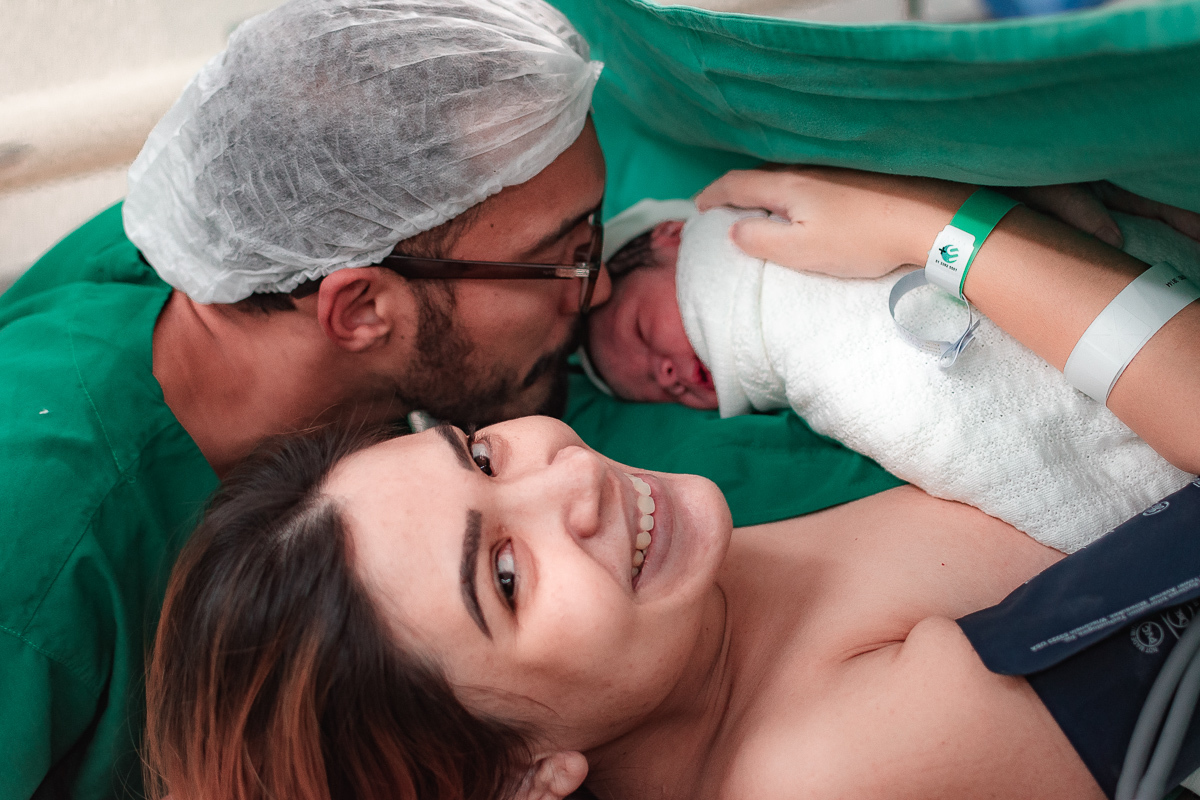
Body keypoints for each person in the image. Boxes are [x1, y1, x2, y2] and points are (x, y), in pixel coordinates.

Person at [145, 167, 1200, 800]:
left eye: (481, 456)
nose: (565, 477)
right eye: (506, 574)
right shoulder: (828, 768)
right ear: (525, 775)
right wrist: (942, 230)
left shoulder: (703, 575)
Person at [0, 2, 608, 798]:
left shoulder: (265, 239)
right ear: (360, 310)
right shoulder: (35, 536)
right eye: (564, 258)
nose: (598, 294)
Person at [584, 187, 1200, 550]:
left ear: (670, 237)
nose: (666, 373)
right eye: (651, 386)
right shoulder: (808, 387)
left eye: (643, 332)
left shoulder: (804, 207)